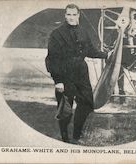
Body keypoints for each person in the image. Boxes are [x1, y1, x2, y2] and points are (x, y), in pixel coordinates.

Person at [45, 4, 110, 143]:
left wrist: (106, 55)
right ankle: (65, 138)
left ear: (78, 15)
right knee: (65, 109)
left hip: (81, 73)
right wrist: (58, 81)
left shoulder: (83, 31)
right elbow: (52, 59)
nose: (71, 18)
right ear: (65, 15)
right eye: (69, 14)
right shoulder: (56, 34)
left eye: (74, 15)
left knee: (87, 103)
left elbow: (91, 51)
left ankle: (76, 134)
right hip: (64, 73)